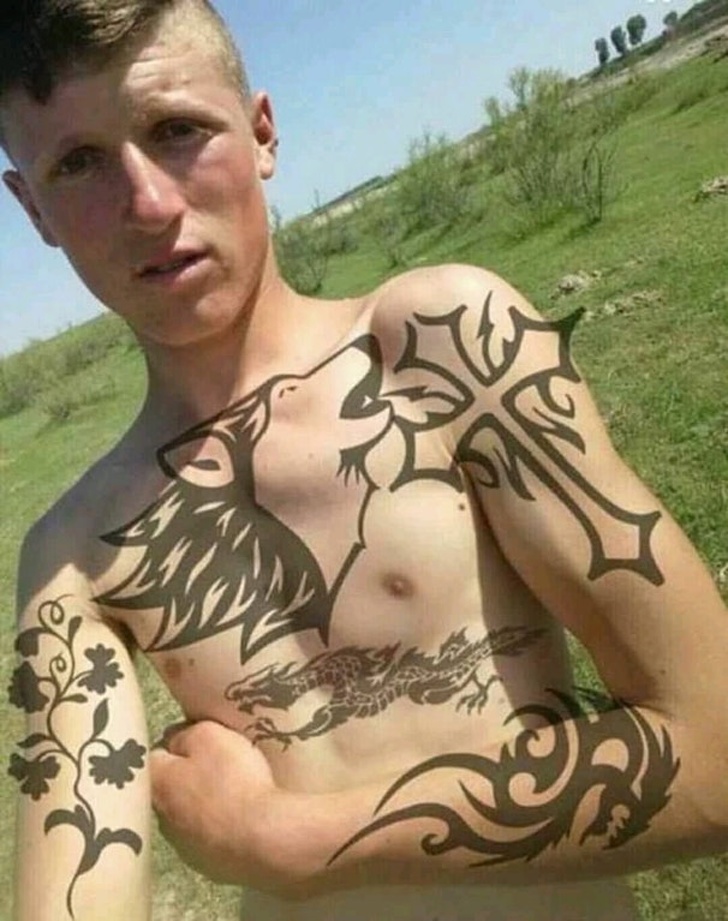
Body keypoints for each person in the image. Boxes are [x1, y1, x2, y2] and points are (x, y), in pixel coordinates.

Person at [3, 1, 727, 919]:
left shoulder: (445, 346)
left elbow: (715, 751)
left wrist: (291, 841)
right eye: (77, 163)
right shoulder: (75, 558)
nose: (146, 205)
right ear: (33, 208)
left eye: (177, 130)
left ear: (263, 134)